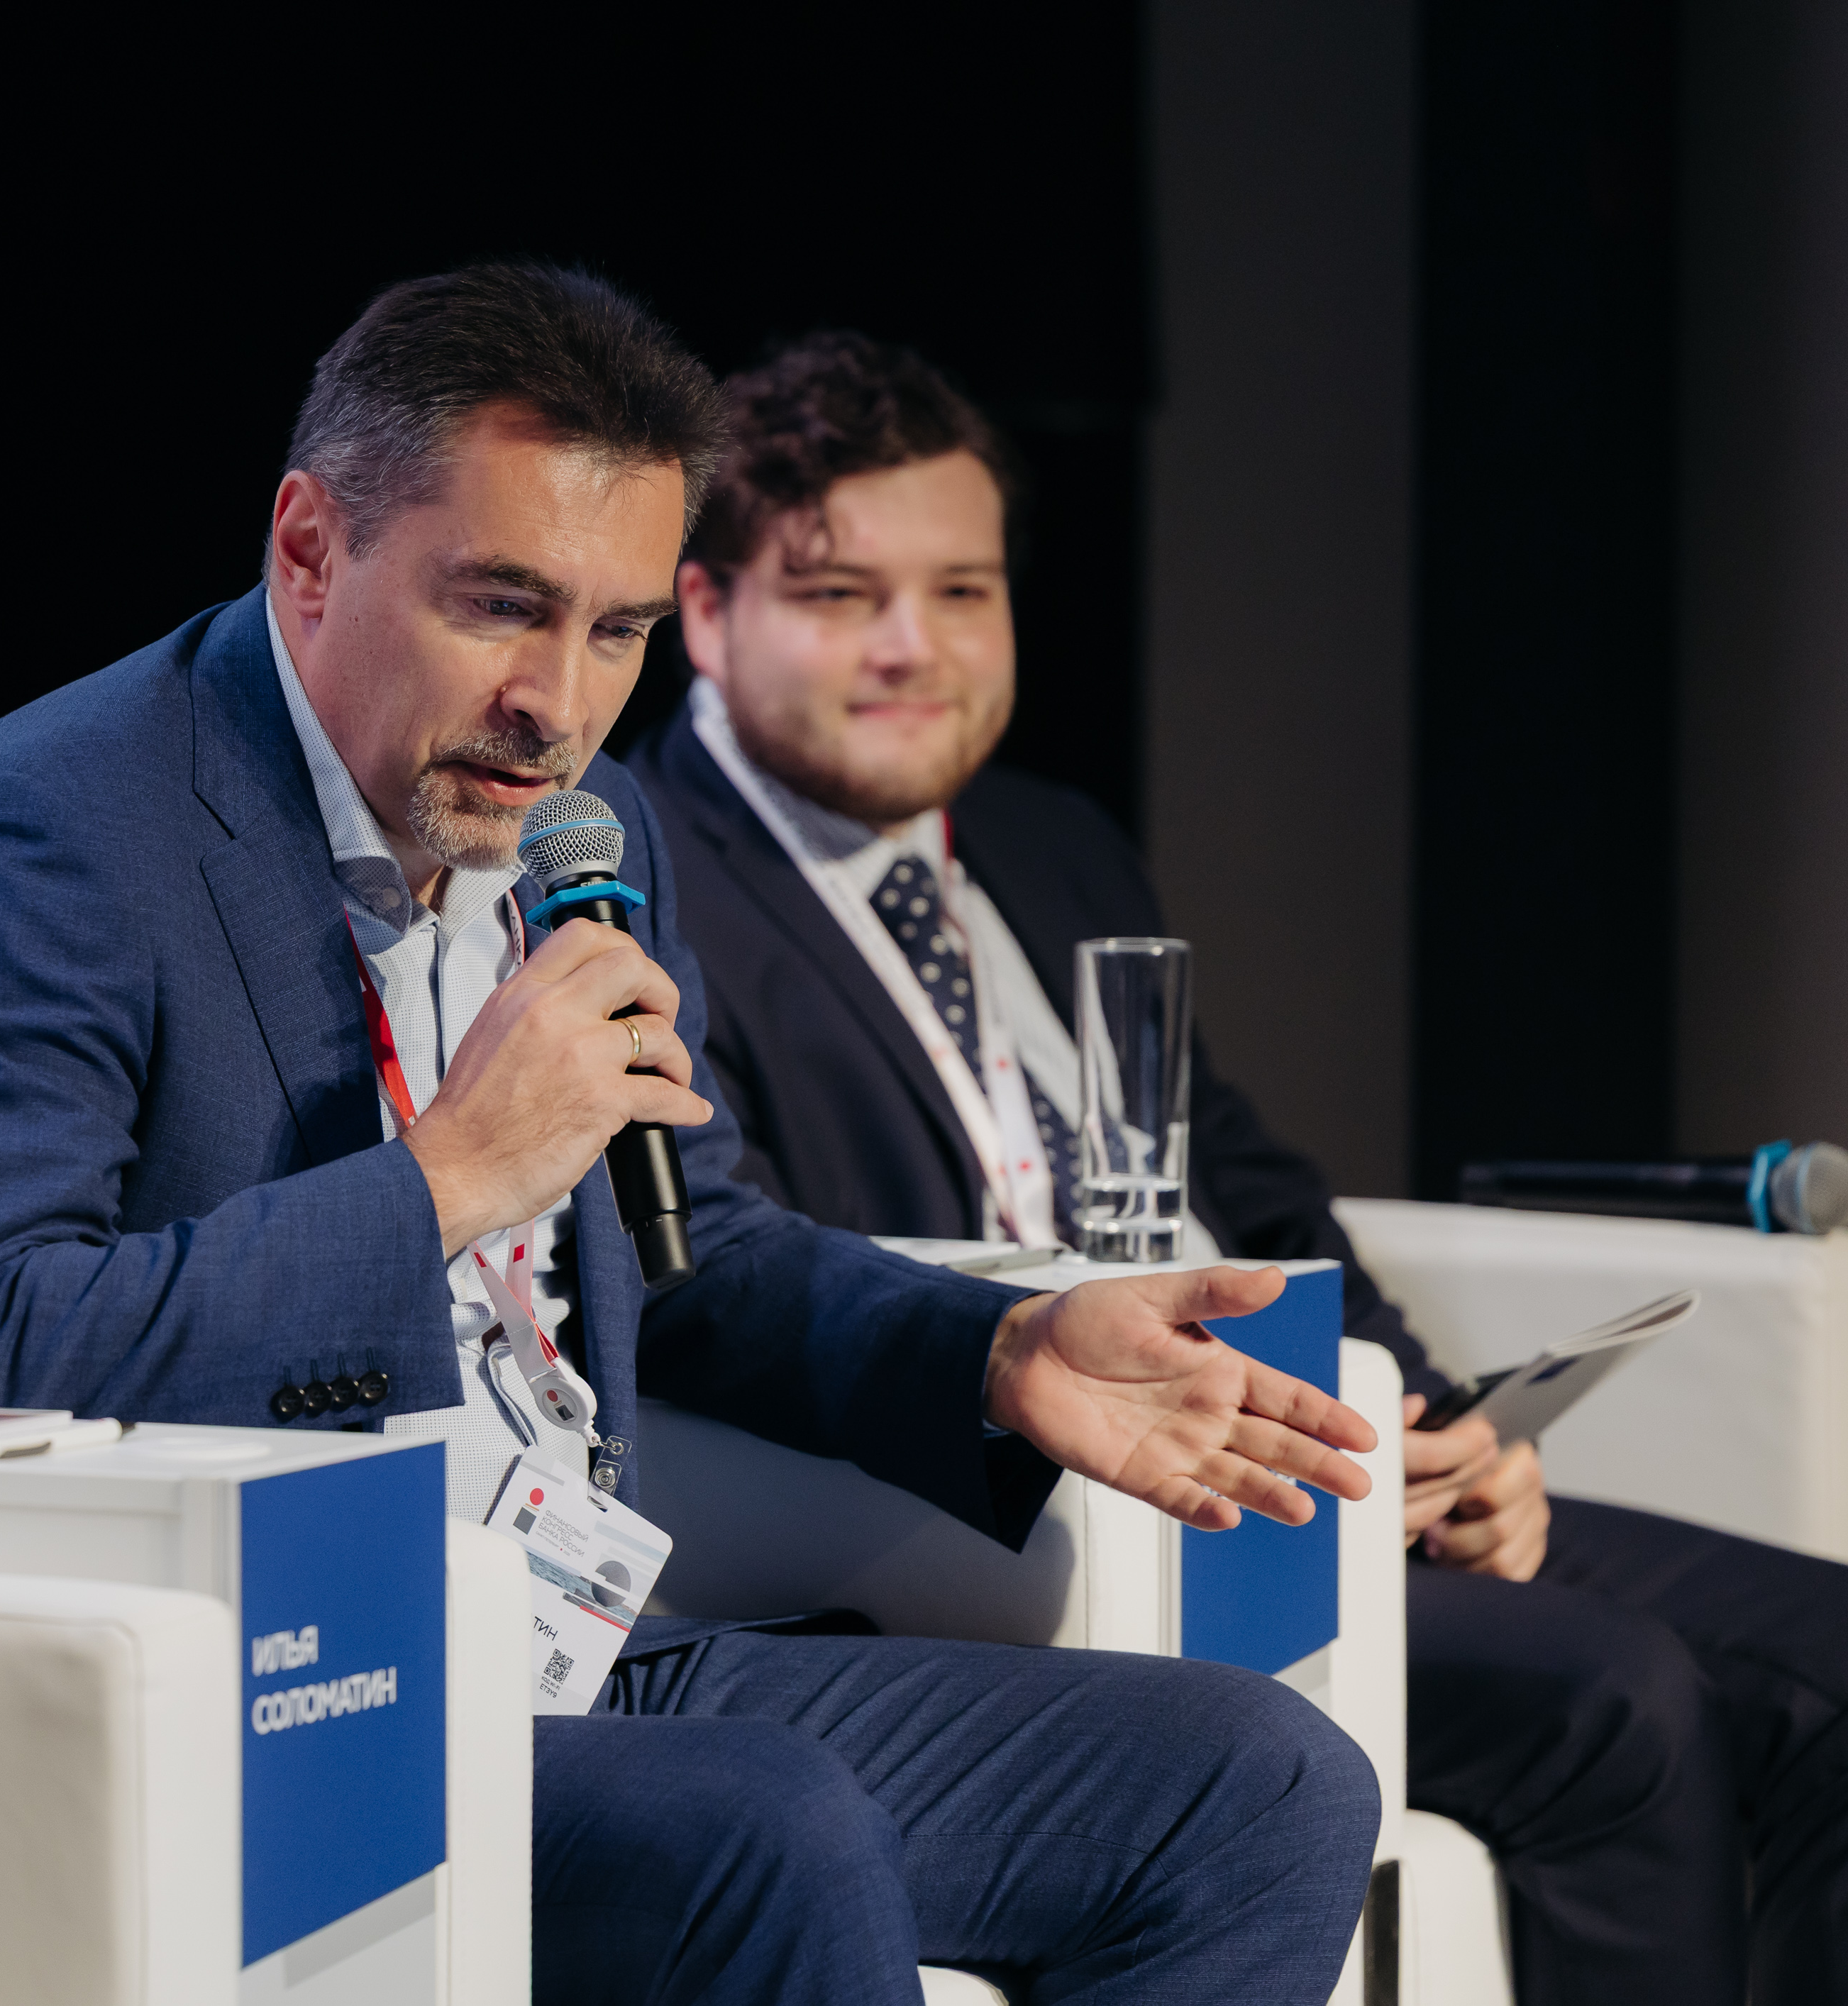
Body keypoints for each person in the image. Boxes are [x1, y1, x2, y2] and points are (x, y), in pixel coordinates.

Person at [0, 263, 1385, 2002]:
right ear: (312, 547)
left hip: (581, 1647)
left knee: (1262, 1792)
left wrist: (998, 1349)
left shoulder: (589, 828)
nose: (559, 705)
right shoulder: (55, 830)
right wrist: (444, 1184)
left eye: (621, 632)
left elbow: (692, 1248)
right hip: (301, 1686)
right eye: (504, 605)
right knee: (774, 1828)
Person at [622, 328, 1848, 2005]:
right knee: (1616, 1697)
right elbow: (728, 1281)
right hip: (1046, 1521)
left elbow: (1255, 1188)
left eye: (964, 591)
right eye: (842, 595)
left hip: (1310, 1457)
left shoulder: (1052, 841)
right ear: (706, 611)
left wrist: (1438, 1431)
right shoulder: (651, 883)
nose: (915, 645)